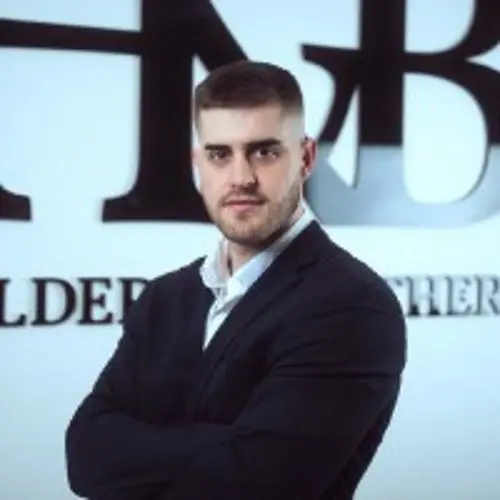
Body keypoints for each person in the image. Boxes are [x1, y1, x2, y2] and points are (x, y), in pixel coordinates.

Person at [65, 60, 406, 500]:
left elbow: (258, 485)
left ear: (305, 158)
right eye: (219, 154)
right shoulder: (164, 297)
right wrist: (227, 444)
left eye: (264, 152)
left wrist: (139, 452)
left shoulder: (353, 306)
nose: (240, 177)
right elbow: (86, 456)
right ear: (198, 164)